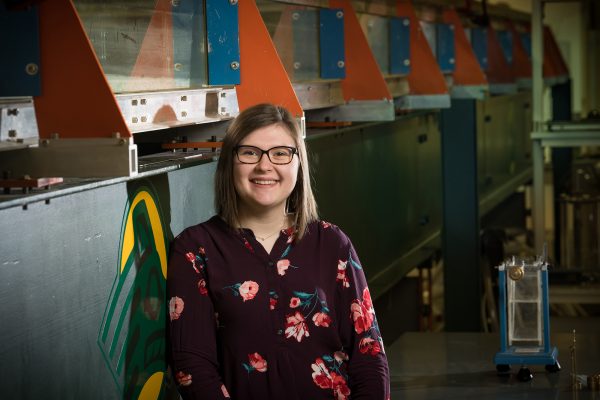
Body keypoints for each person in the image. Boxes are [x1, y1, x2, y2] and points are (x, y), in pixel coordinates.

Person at [167, 103, 390, 399]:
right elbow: (192, 366)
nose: (264, 165)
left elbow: (369, 355)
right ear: (229, 163)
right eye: (249, 152)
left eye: (280, 153)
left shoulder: (332, 243)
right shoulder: (196, 250)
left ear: (298, 163)